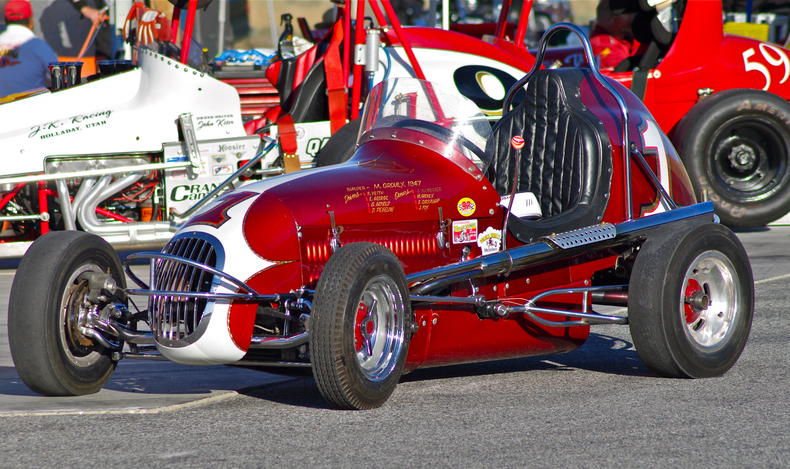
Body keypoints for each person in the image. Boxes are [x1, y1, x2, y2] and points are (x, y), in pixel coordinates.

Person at [0, 0, 58, 98]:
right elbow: (59, 77)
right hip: (32, 103)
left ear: (6, 20)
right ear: (31, 21)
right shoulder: (37, 45)